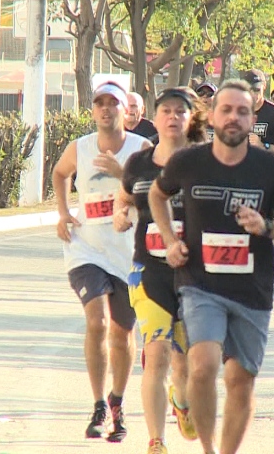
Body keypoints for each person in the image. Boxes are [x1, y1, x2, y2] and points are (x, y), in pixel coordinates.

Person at [148, 80, 274, 454]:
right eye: (227, 110)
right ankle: (207, 448)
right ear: (213, 117)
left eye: (243, 111)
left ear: (253, 120)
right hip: (201, 284)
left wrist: (265, 227)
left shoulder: (270, 170)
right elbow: (157, 194)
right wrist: (170, 240)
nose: (234, 117)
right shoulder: (188, 161)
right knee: (203, 366)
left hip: (253, 289)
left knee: (240, 380)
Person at [52, 80, 151, 441]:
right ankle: (96, 404)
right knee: (97, 322)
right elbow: (60, 173)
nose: (106, 109)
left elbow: (157, 190)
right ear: (92, 110)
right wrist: (63, 213)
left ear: (126, 110)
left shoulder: (142, 149)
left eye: (113, 103)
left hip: (127, 251)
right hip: (86, 248)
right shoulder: (79, 147)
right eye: (99, 103)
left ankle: (117, 402)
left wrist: (122, 175)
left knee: (122, 332)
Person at [114, 87, 206, 453]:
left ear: (190, 118)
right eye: (165, 111)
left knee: (184, 366)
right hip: (148, 271)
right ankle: (156, 441)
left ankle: (181, 402)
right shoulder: (139, 163)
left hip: (195, 274)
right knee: (156, 353)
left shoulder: (204, 161)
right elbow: (123, 199)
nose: (172, 117)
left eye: (179, 111)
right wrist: (121, 215)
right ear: (156, 115)